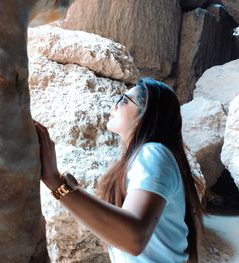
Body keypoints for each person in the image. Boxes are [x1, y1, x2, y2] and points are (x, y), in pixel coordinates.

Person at [33, 77, 204, 263]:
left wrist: (56, 183)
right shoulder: (142, 158)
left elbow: (133, 237)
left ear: (144, 115)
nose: (114, 105)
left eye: (123, 100)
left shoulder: (154, 153)